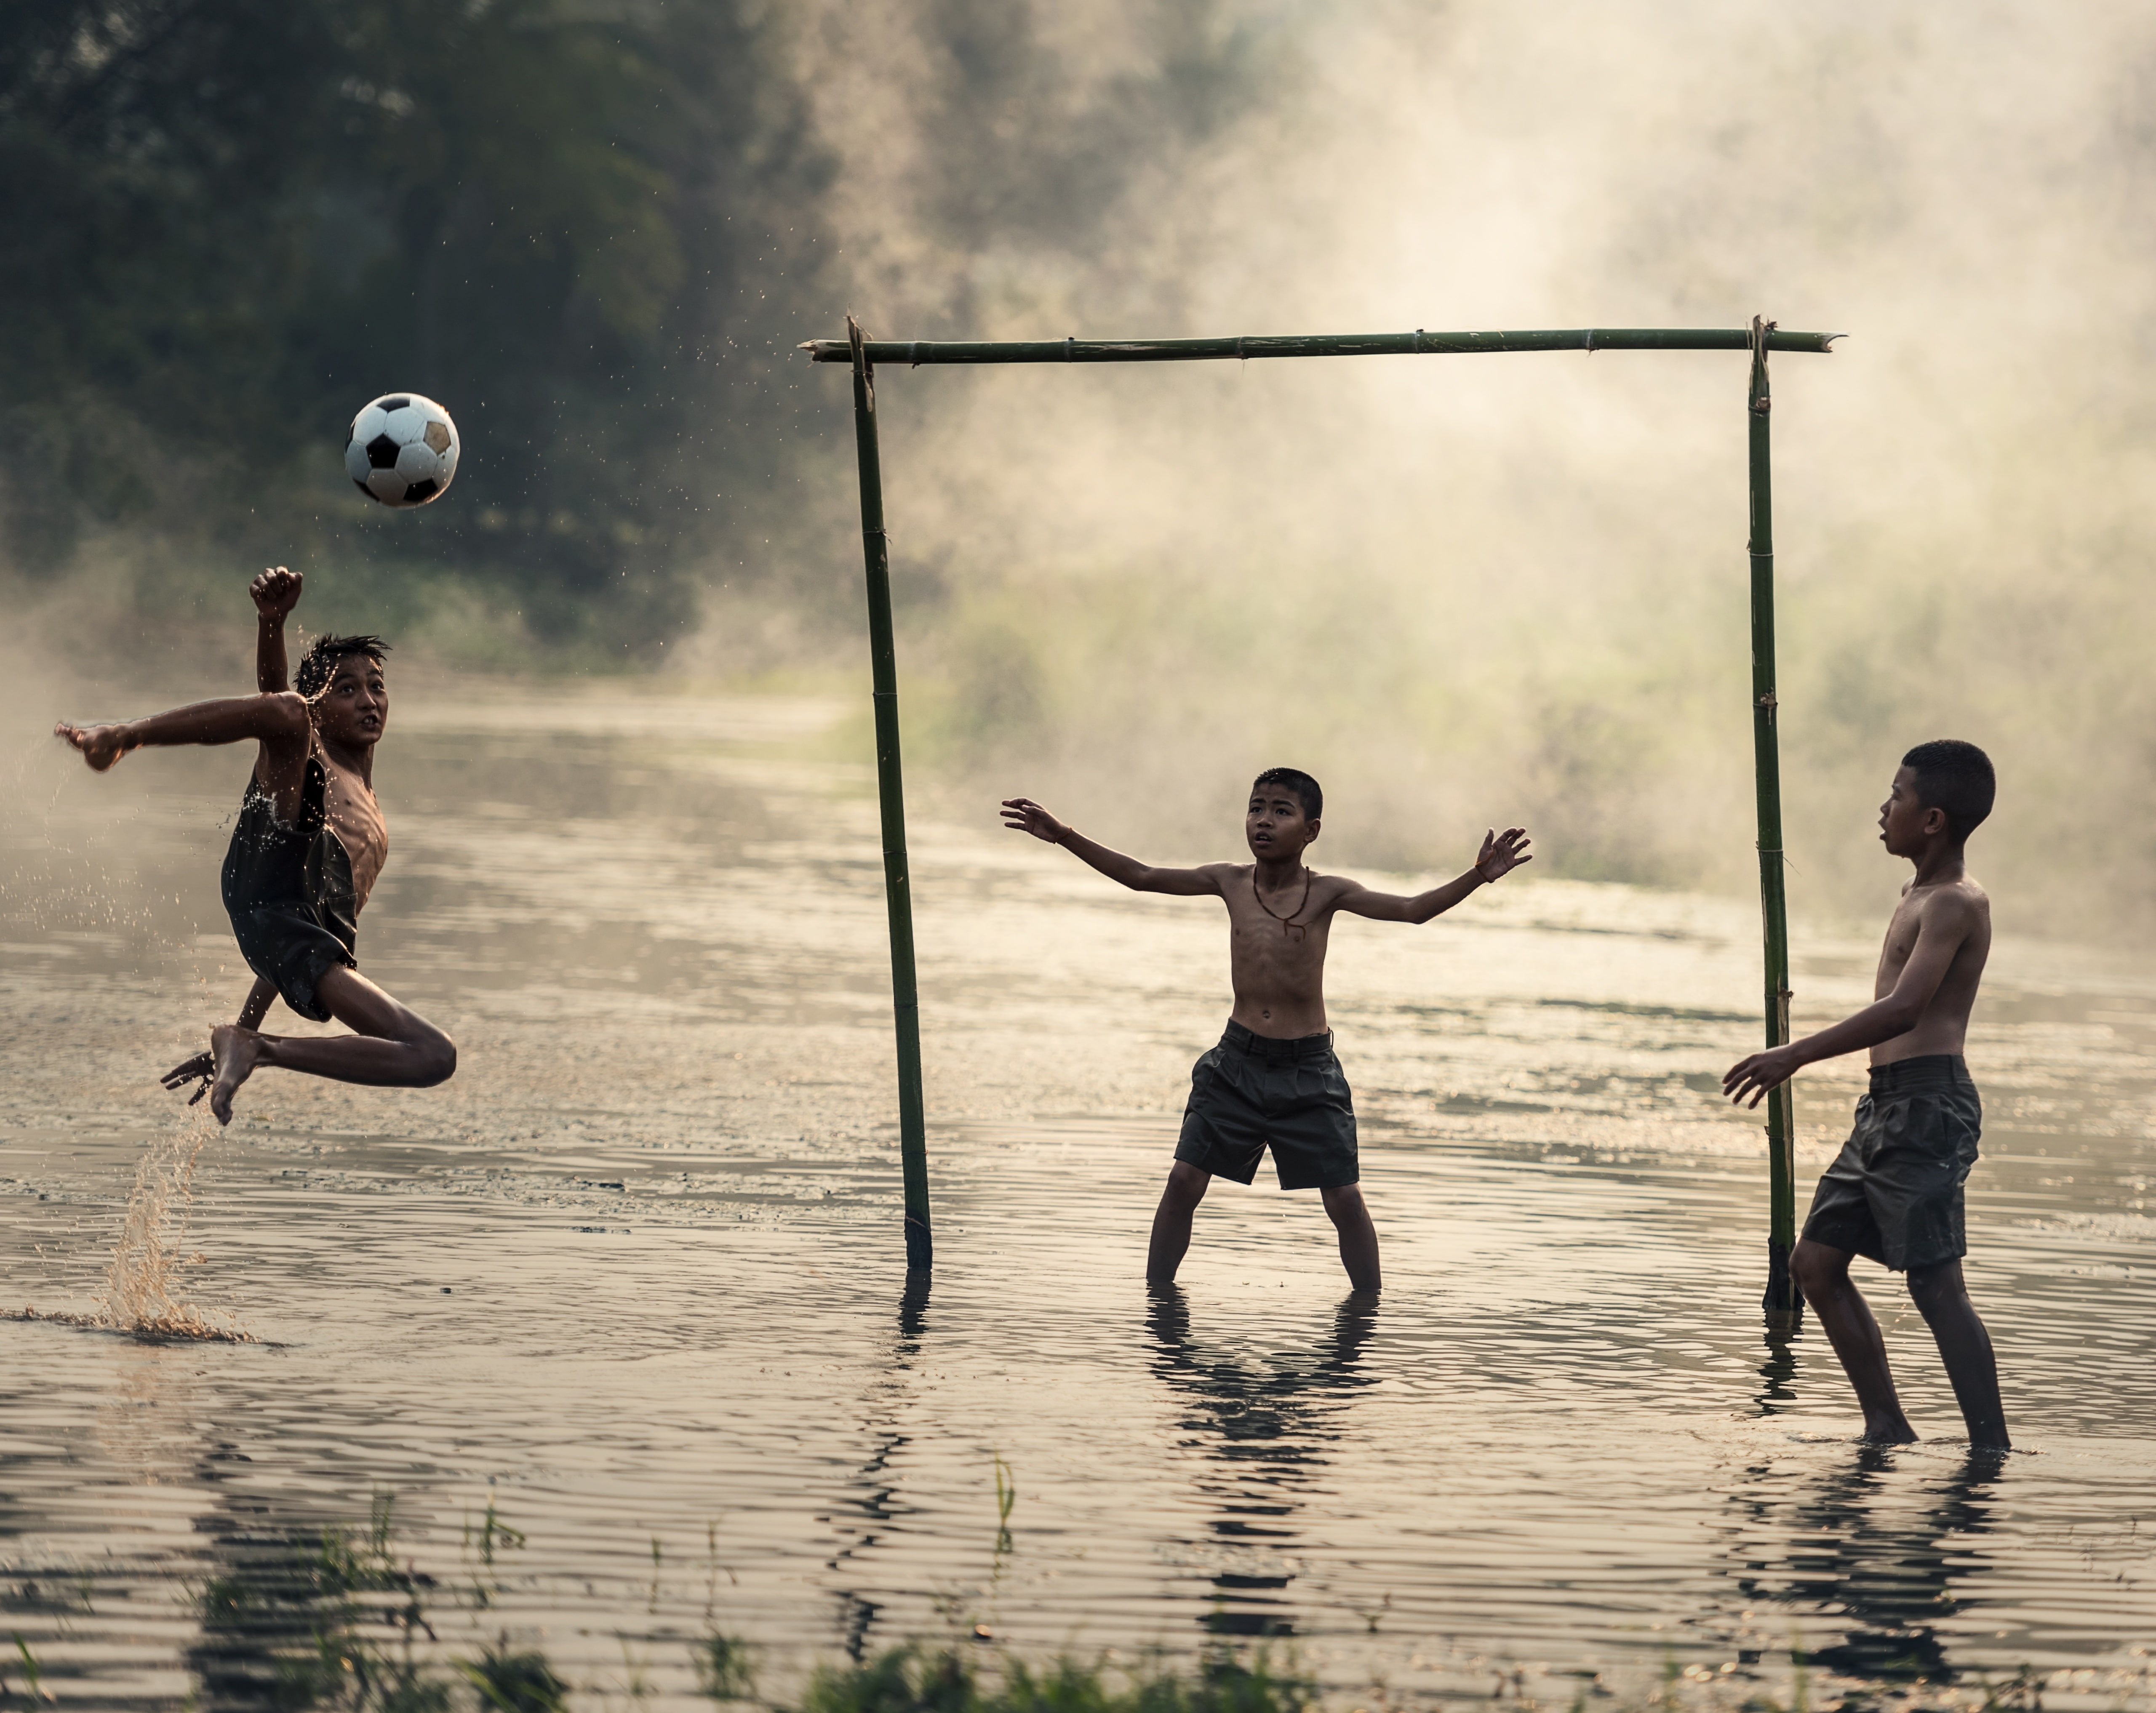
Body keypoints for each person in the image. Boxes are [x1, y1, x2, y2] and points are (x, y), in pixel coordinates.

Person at [1001, 770, 1531, 1292]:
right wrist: (1064, 836)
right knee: (1184, 1180)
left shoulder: (1328, 892)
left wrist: (1476, 876)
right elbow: (1140, 875)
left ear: (1311, 830)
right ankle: (1155, 1306)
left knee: (1343, 1198)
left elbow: (1412, 911)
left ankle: (1368, 1315)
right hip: (1236, 1063)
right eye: (1256, 808)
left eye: (1281, 811)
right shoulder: (1228, 880)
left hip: (1308, 1071)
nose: (1264, 820)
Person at [53, 567, 455, 1124]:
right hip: (268, 859)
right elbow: (275, 702)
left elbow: (294, 944)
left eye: (377, 686)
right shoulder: (313, 749)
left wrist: (248, 1027)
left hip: (288, 921)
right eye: (347, 688)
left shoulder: (373, 819)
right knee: (283, 715)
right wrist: (272, 624)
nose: (369, 700)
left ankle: (255, 1048)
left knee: (434, 1056)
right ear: (322, 707)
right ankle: (121, 737)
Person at [1724, 740, 2007, 1449]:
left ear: (1934, 817)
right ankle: (1887, 1423)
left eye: (1897, 795)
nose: (1884, 809)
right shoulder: (1914, 894)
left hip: (1929, 1106)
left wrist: (1796, 1052)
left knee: (1935, 1285)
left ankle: (1991, 1447)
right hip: (1884, 1106)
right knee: (1815, 1264)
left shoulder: (1955, 904)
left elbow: (1908, 1008)